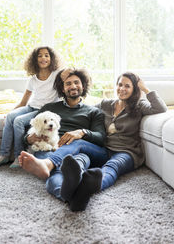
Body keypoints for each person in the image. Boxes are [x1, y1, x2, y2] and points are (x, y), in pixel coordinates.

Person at [49, 72, 168, 211]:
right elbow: (86, 112)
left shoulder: (139, 105)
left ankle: (88, 186)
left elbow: (160, 108)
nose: (122, 89)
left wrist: (145, 89)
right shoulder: (106, 104)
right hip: (104, 149)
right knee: (79, 145)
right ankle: (70, 172)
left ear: (134, 89)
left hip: (127, 152)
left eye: (127, 86)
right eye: (120, 84)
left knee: (112, 167)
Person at [18, 68, 109, 196]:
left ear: (83, 85)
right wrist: (28, 138)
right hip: (51, 148)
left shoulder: (93, 111)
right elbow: (29, 132)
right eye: (68, 83)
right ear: (62, 89)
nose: (73, 86)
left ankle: (48, 164)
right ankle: (69, 197)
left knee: (75, 148)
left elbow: (101, 138)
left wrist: (82, 132)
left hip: (81, 148)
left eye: (76, 82)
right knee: (55, 174)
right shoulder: (49, 108)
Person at [0, 46, 63, 168]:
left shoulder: (56, 75)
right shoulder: (33, 79)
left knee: (18, 121)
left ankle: (19, 156)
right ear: (35, 60)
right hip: (31, 106)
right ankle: (4, 154)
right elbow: (23, 102)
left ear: (51, 58)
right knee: (11, 117)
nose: (43, 58)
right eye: (39, 56)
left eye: (46, 55)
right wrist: (9, 112)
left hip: (42, 111)